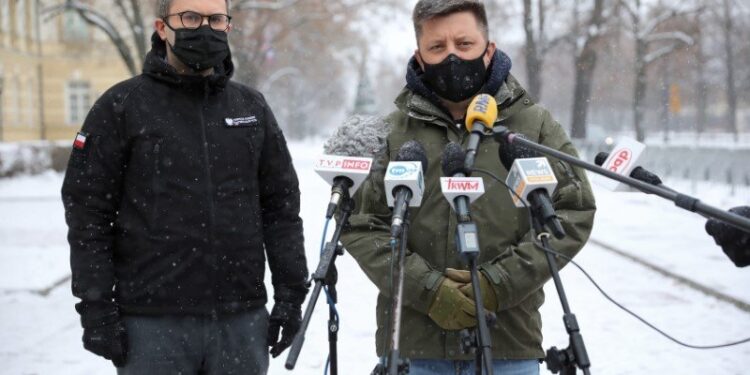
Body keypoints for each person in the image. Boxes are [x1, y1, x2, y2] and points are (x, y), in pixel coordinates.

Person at [338, 1, 596, 374]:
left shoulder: (533, 126)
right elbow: (363, 224)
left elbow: (573, 211)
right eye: (437, 48)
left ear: (488, 48)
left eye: (464, 44)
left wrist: (496, 285)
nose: (452, 57)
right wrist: (428, 291)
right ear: (420, 56)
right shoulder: (393, 133)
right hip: (413, 347)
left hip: (510, 343)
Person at [60, 0, 308, 373]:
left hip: (240, 322)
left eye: (216, 19)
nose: (204, 28)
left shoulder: (250, 107)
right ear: (162, 27)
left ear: (227, 25)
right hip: (152, 326)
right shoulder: (121, 106)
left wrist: (290, 296)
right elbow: (87, 215)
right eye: (190, 18)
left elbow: (281, 208)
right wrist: (96, 307)